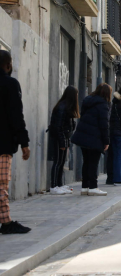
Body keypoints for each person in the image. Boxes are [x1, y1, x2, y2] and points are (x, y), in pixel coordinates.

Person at [0, 50, 31, 234]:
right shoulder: (10, 84)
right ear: (8, 65)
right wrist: (24, 142)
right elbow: (16, 116)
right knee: (1, 184)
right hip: (2, 144)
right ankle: (6, 222)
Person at [71, 83, 111, 196]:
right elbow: (104, 124)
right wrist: (106, 141)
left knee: (86, 162)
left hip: (83, 136)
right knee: (93, 163)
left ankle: (85, 187)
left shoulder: (87, 101)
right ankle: (93, 187)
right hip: (95, 137)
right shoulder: (103, 104)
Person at [48, 86, 80, 195]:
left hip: (64, 137)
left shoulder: (67, 107)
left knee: (61, 162)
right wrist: (62, 141)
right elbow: (58, 127)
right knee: (57, 162)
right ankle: (53, 186)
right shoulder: (62, 107)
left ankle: (59, 184)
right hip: (58, 138)